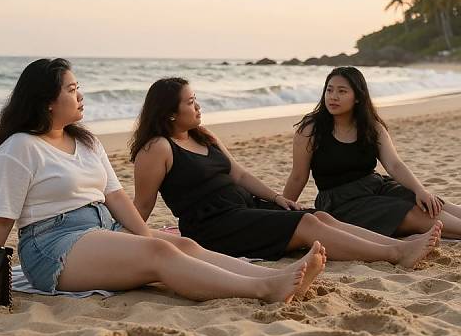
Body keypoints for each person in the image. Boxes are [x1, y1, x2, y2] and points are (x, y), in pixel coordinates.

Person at [0, 58, 327, 304]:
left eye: (78, 87)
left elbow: (116, 197)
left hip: (102, 229)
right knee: (160, 250)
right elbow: (0, 223)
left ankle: (269, 277)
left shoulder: (86, 141)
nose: (80, 95)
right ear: (46, 103)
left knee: (182, 245)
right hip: (51, 246)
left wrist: (145, 236)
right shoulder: (18, 149)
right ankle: (264, 291)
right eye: (72, 89)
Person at [132, 77, 441, 269]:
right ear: (171, 112)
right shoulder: (157, 148)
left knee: (319, 217)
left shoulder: (203, 135)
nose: (197, 106)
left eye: (195, 99)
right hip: (213, 225)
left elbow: (239, 174)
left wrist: (278, 198)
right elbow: (142, 205)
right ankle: (397, 253)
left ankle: (394, 247)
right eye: (190, 102)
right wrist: (125, 240)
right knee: (307, 223)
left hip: (243, 207)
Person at [283, 66, 461, 239]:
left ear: (358, 97)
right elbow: (298, 177)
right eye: (329, 91)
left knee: (432, 204)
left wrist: (420, 190)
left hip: (376, 186)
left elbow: (394, 165)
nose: (333, 97)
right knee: (412, 213)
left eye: (342, 91)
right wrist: (279, 213)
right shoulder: (310, 130)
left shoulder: (371, 127)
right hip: (342, 202)